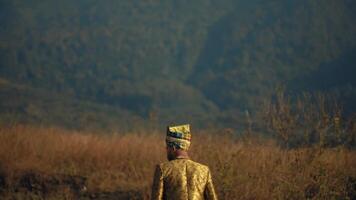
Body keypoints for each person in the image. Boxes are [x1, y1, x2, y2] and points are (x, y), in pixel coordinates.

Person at [151, 124, 218, 200]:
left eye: (167, 148)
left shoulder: (163, 169)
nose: (166, 150)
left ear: (173, 148)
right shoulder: (204, 170)